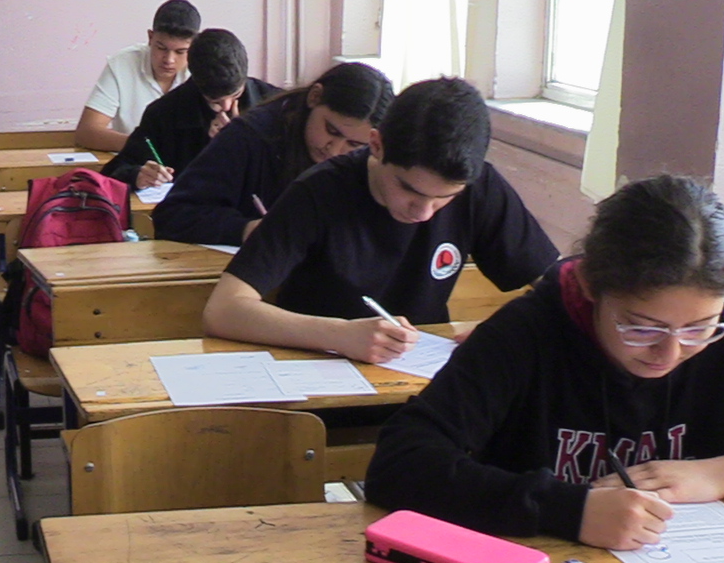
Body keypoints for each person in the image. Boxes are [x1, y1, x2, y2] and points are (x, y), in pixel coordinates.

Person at [364, 175, 724, 551]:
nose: (671, 352)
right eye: (642, 327)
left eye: (699, 328)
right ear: (591, 287)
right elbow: (400, 464)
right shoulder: (526, 334)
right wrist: (569, 510)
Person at [201, 76, 557, 365]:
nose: (423, 213)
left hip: (423, 378)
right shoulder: (318, 192)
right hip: (324, 372)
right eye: (409, 189)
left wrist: (505, 328)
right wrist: (340, 335)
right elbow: (223, 310)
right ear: (376, 144)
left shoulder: (480, 187)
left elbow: (559, 286)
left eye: (444, 198)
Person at [151, 61, 392, 246]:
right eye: (331, 130)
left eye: (354, 144)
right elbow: (173, 215)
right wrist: (246, 229)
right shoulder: (250, 137)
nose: (335, 150)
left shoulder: (371, 160)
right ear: (314, 97)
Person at [101, 28, 274, 189]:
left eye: (236, 95)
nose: (226, 107)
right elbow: (114, 171)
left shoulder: (275, 104)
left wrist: (241, 143)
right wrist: (137, 175)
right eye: (215, 101)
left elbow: (284, 174)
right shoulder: (165, 112)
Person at [74, 0, 200, 153]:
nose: (169, 60)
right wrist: (143, 146)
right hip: (134, 163)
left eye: (180, 52)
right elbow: (86, 132)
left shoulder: (202, 70)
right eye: (161, 48)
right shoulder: (122, 64)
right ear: (150, 38)